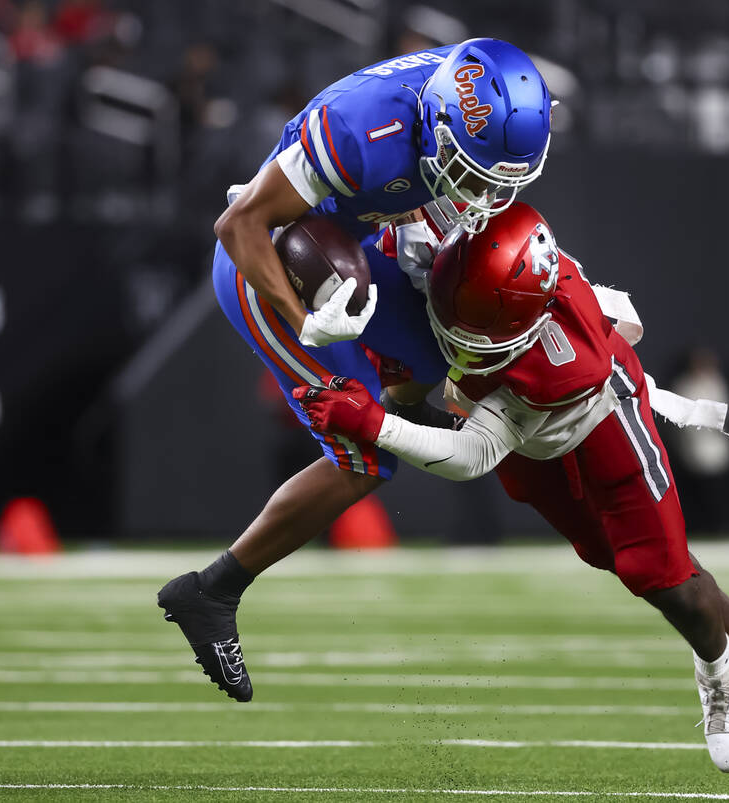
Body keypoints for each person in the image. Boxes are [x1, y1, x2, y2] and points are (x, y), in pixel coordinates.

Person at [296, 204, 729, 773]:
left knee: (657, 572)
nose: (466, 338)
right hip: (523, 429)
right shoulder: (451, 236)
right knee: (611, 555)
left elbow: (473, 454)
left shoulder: (558, 357)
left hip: (598, 416)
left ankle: (721, 674)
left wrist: (375, 423)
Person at [156, 39, 552, 707]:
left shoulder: (472, 95)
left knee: (443, 340)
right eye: (472, 171)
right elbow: (239, 224)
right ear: (438, 126)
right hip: (271, 264)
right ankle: (212, 591)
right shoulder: (362, 130)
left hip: (353, 242)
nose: (483, 192)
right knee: (365, 461)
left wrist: (420, 222)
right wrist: (305, 319)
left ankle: (404, 410)